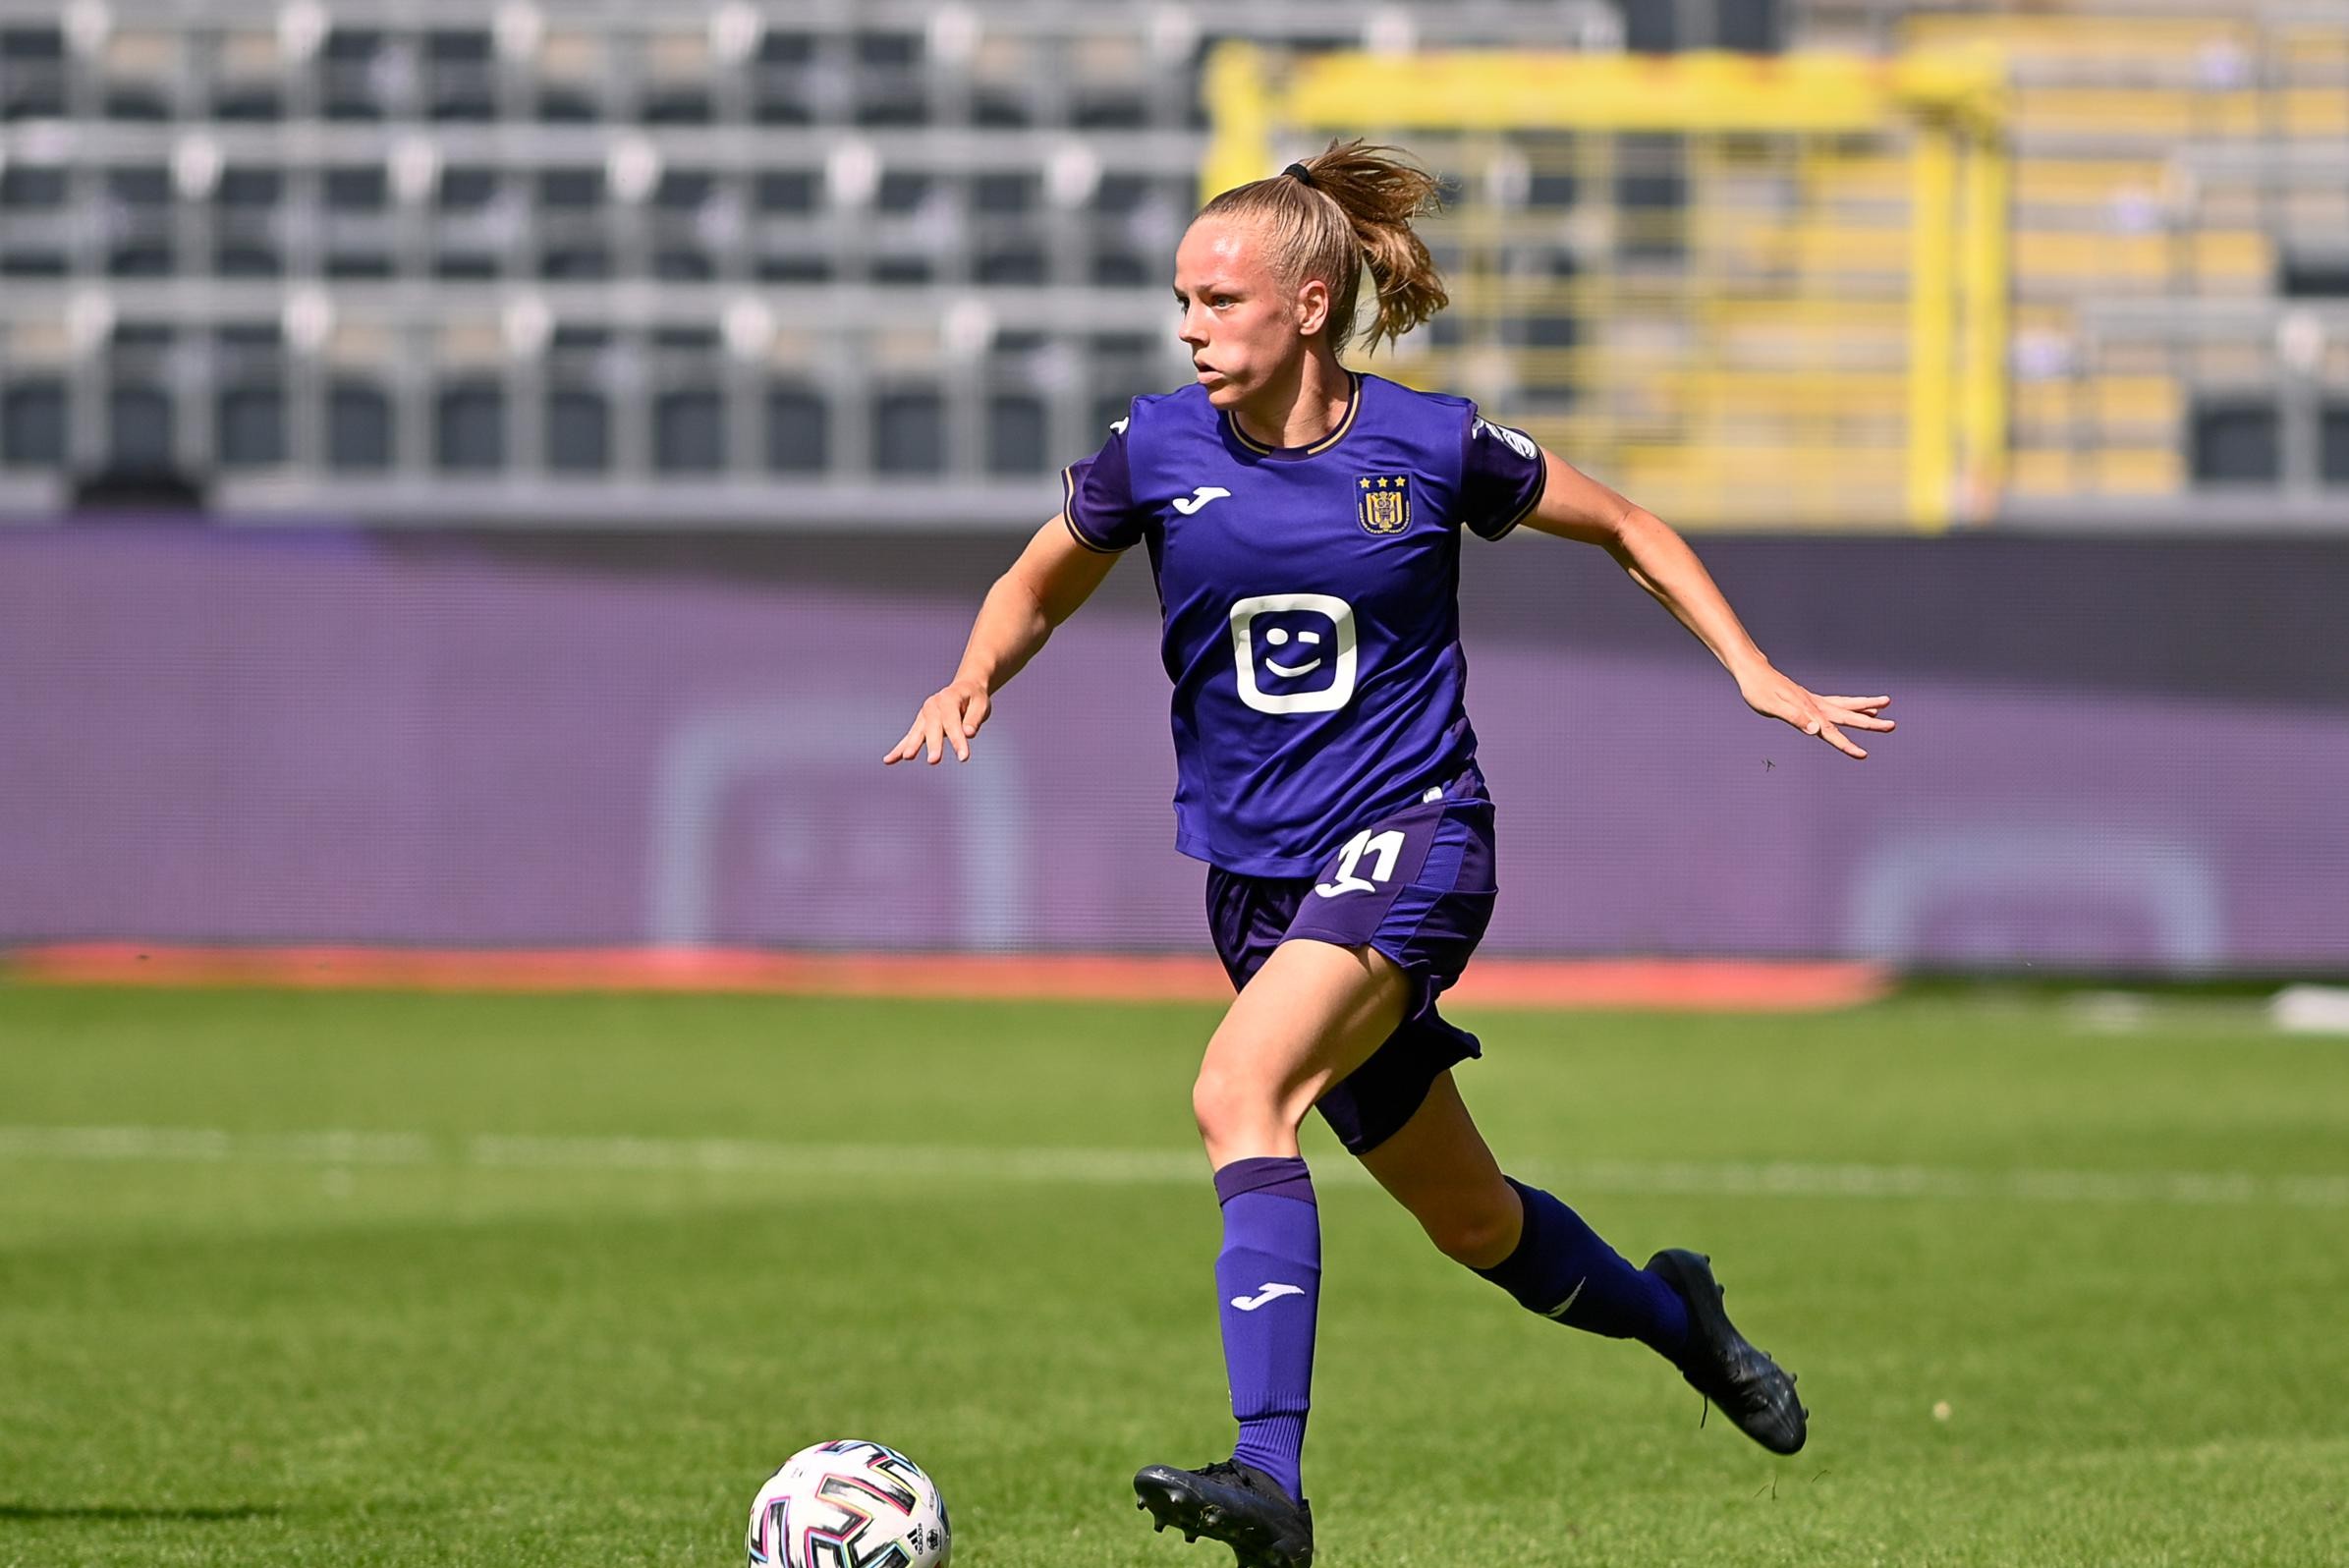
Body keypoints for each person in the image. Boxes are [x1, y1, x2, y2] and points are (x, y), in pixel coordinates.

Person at [885, 140, 1893, 1568]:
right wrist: (975, 671)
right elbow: (1039, 577)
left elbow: (1630, 526)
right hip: (1256, 885)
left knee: (1239, 1088)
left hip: (1415, 838)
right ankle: (1682, 1318)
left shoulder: (1431, 444)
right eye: (1181, 299)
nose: (1189, 326)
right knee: (1475, 1222)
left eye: (1218, 300)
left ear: (1307, 304)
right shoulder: (1157, 447)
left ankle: (1268, 1482)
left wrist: (1755, 671)